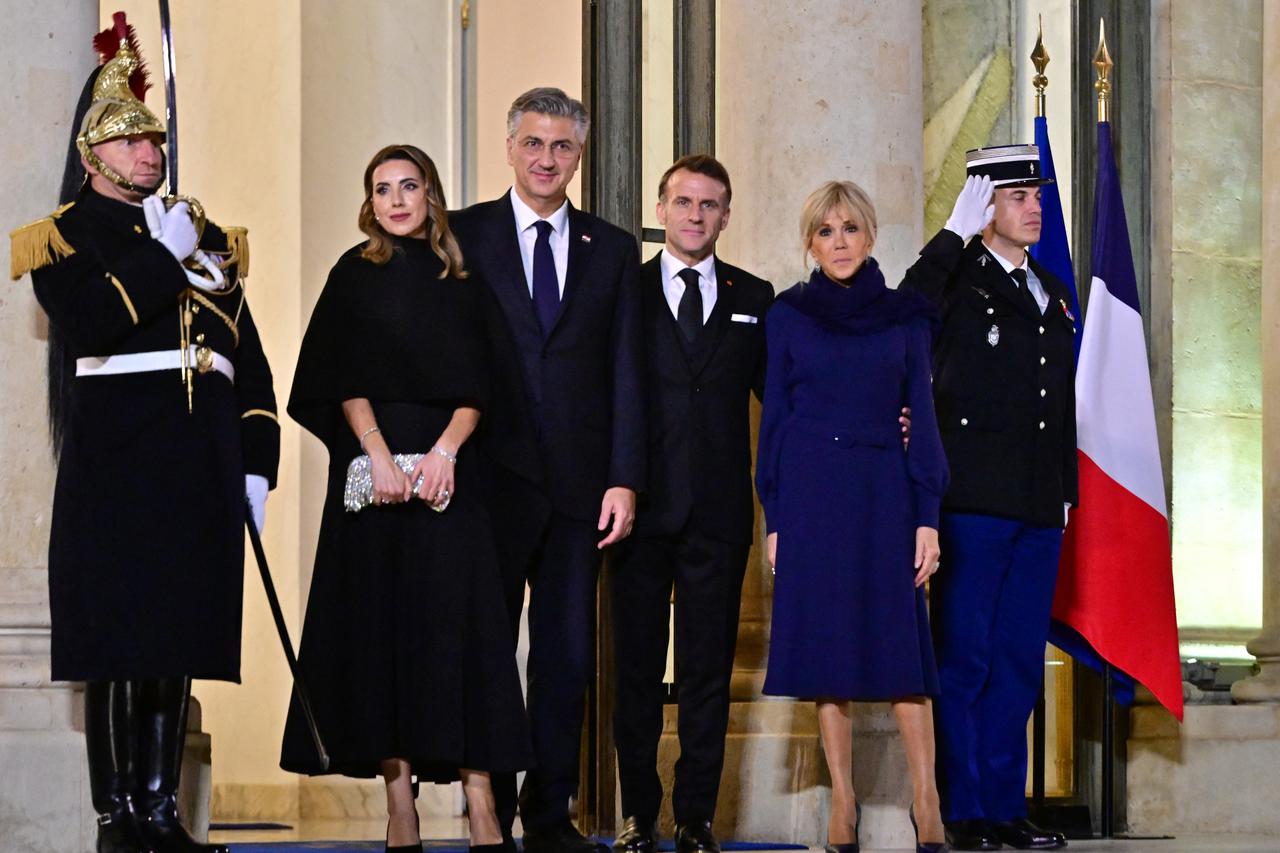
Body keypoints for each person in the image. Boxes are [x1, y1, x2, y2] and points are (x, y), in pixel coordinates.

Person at [9, 15, 278, 853]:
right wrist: (163, 255)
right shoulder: (62, 238)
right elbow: (93, 321)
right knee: (120, 647)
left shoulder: (209, 240)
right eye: (130, 142)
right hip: (121, 472)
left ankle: (161, 814)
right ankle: (117, 819)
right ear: (92, 156)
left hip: (200, 470)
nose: (149, 152)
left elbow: (248, 363)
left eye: (154, 140)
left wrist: (257, 463)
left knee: (177, 639)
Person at [280, 144, 532, 853]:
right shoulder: (352, 274)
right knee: (382, 637)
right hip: (376, 478)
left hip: (453, 478)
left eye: (408, 186)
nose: (395, 199)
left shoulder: (465, 280)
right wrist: (378, 455)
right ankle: (400, 807)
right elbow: (339, 378)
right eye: (382, 188)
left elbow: (486, 384)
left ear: (430, 196)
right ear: (370, 202)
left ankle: (482, 801)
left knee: (468, 634)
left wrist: (446, 453)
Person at [449, 87, 645, 853]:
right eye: (533, 142)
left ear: (580, 156)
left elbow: (626, 370)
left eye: (562, 146)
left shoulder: (613, 249)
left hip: (579, 488)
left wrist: (624, 477)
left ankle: (550, 812)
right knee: (488, 650)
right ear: (510, 148)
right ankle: (489, 807)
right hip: (486, 479)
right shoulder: (462, 235)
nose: (546, 158)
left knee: (566, 655)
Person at [756, 181, 949, 853]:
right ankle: (843, 800)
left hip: (885, 493)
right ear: (810, 243)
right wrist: (775, 517)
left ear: (870, 236)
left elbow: (923, 419)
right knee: (827, 655)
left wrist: (927, 516)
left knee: (903, 655)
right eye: (825, 231)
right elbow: (776, 421)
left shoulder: (906, 317)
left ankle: (927, 798)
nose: (838, 242)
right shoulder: (787, 315)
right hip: (812, 496)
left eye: (850, 228)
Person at [899, 147, 1076, 851]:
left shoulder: (1051, 288)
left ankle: (1005, 805)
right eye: (1017, 196)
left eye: (1038, 195)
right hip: (972, 497)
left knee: (1018, 662)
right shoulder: (956, 279)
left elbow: (1059, 401)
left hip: (1037, 502)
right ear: (984, 205)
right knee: (966, 657)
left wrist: (1065, 489)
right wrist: (951, 234)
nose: (1034, 207)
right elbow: (903, 313)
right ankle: (963, 808)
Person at [608, 155, 773, 853]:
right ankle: (638, 815)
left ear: (726, 216)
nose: (695, 215)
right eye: (683, 202)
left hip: (719, 514)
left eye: (709, 205)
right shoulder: (626, 291)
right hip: (637, 513)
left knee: (707, 674)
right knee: (637, 673)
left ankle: (695, 817)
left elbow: (787, 398)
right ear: (661, 209)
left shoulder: (755, 296)